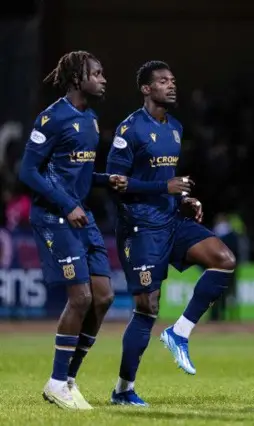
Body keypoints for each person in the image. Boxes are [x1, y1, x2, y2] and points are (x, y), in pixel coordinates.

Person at [106, 61, 236, 406]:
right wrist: (166, 185)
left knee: (224, 259)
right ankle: (123, 390)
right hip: (140, 227)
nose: (171, 85)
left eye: (173, 80)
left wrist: (183, 199)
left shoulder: (176, 128)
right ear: (146, 89)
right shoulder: (129, 129)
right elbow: (115, 183)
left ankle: (179, 333)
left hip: (171, 219)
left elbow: (167, 181)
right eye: (163, 81)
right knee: (148, 306)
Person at [18, 51, 122, 409]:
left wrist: (108, 180)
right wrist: (66, 205)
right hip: (54, 217)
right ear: (78, 79)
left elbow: (77, 174)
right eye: (97, 73)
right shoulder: (51, 118)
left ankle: (68, 378)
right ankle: (56, 381)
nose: (104, 78)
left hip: (82, 215)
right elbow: (28, 172)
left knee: (104, 296)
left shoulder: (91, 120)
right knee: (80, 297)